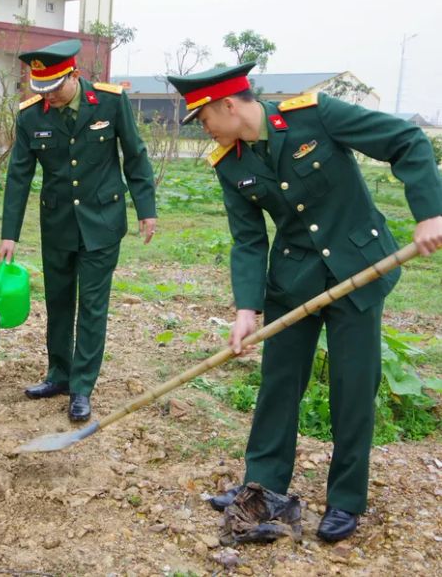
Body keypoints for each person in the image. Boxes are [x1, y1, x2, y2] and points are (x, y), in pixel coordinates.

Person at [167, 61, 442, 542]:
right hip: (294, 280)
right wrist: (245, 310)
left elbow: (406, 141)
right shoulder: (229, 163)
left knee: (353, 386)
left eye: (204, 116)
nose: (204, 127)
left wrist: (429, 213)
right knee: (278, 383)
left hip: (359, 268)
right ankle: (264, 488)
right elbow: (249, 241)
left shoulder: (316, 116)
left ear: (229, 104)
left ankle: (346, 500)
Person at [0, 39, 158, 422]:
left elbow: (134, 155)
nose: (48, 97)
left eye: (54, 88)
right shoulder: (31, 116)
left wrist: (146, 209)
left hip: (103, 222)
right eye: (40, 89)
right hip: (57, 224)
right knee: (58, 301)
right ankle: (59, 374)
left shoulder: (109, 102)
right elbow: (19, 176)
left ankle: (82, 386)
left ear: (73, 75)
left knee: (92, 304)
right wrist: (10, 233)